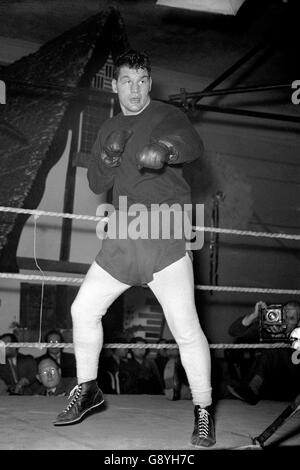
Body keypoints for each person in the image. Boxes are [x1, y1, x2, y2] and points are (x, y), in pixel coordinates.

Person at [53, 49, 215, 447]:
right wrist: (108, 158)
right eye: (127, 81)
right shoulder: (108, 125)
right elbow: (95, 182)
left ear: (149, 83)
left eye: (142, 81)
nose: (135, 90)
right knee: (83, 310)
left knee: (186, 329)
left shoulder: (165, 114)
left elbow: (192, 144)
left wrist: (167, 150)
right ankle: (88, 388)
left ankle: (204, 410)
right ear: (115, 85)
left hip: (164, 233)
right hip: (125, 233)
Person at [227, 300, 300, 404]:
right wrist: (254, 315)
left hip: (288, 389)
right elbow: (233, 331)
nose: (286, 321)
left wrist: (283, 341)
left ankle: (252, 389)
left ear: (298, 323)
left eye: (291, 318)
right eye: (284, 315)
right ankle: (249, 389)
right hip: (265, 391)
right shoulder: (268, 328)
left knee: (273, 348)